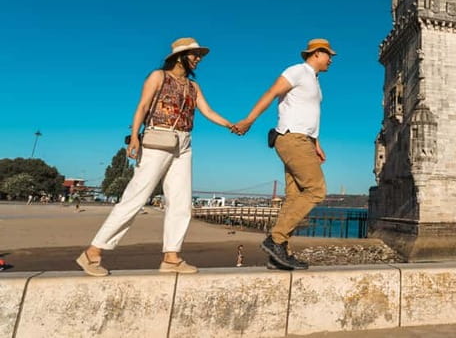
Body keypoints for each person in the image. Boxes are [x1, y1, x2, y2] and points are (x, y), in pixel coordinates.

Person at [76, 37, 234, 277]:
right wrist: (135, 138)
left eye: (199, 55)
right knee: (135, 197)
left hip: (184, 143)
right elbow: (142, 106)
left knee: (181, 203)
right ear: (180, 56)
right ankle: (93, 252)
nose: (198, 59)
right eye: (194, 54)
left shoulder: (193, 87)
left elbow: (208, 111)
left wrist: (231, 125)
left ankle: (172, 257)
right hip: (157, 138)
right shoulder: (157, 77)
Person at [233, 38, 335, 270]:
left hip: (304, 140)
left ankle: (278, 257)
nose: (331, 60)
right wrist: (249, 120)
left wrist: (316, 143)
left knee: (296, 194)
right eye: (329, 55)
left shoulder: (315, 81)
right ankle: (276, 239)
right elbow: (271, 92)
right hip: (292, 138)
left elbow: (309, 113)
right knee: (316, 190)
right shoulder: (298, 71)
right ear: (317, 53)